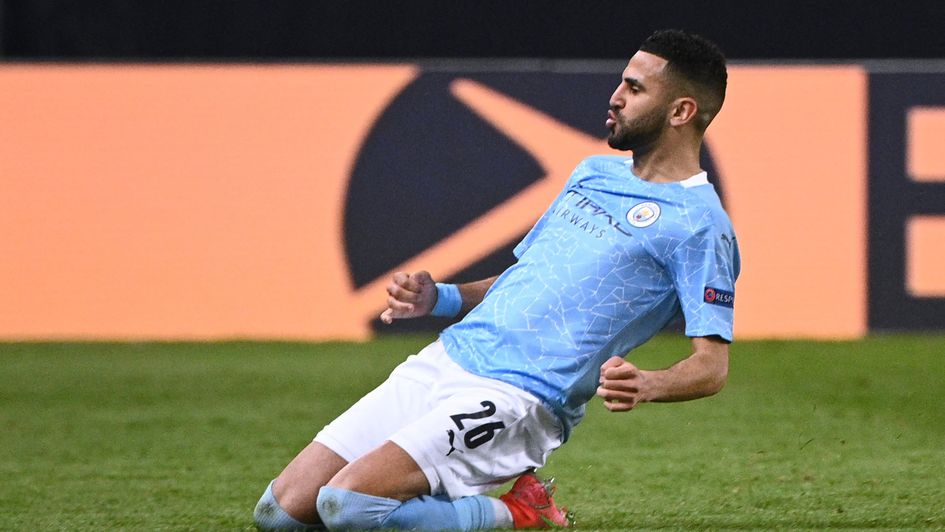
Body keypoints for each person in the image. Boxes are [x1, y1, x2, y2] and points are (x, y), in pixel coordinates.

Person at [254, 28, 739, 531]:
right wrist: (440, 298)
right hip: (449, 357)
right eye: (622, 82)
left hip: (521, 398)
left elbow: (712, 366)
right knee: (280, 513)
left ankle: (522, 512)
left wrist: (649, 384)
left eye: (635, 89)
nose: (615, 97)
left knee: (349, 505)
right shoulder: (594, 173)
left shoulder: (700, 226)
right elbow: (525, 278)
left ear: (681, 111)